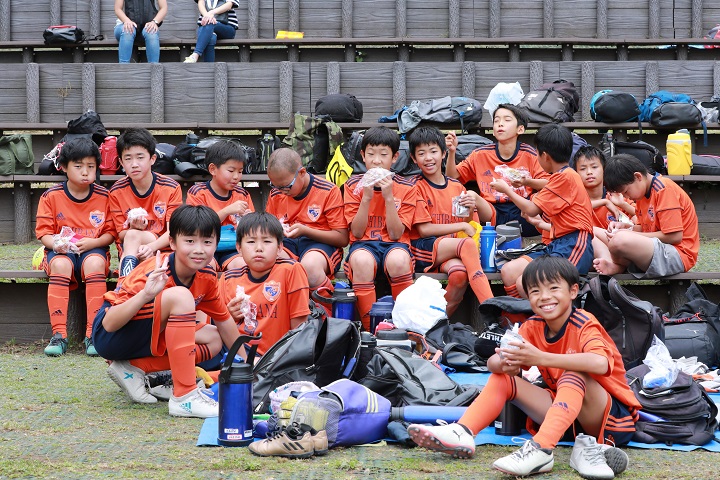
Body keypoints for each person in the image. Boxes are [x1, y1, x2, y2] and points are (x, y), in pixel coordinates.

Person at [407, 256, 638, 479]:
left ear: (573, 291)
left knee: (574, 374)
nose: (545, 297)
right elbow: (492, 364)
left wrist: (541, 357)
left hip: (609, 419)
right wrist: (505, 361)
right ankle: (462, 431)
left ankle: (541, 449)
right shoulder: (532, 325)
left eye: (553, 288)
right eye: (535, 291)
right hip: (563, 417)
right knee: (504, 379)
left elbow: (600, 363)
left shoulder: (584, 323)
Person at [92, 205, 243, 418]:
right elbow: (109, 324)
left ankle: (135, 369)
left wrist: (250, 363)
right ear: (172, 242)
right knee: (181, 296)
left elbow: (224, 321)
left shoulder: (207, 275)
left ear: (216, 244)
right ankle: (185, 396)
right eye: (190, 241)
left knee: (214, 338)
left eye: (207, 242)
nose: (199, 249)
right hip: (113, 336)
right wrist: (146, 294)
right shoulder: (154, 270)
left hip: (149, 338)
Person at [491, 124, 594, 298]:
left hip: (574, 245)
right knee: (509, 271)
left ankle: (545, 313)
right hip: (557, 244)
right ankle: (518, 315)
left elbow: (531, 209)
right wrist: (526, 182)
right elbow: (548, 184)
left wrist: (507, 190)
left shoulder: (566, 176)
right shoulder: (564, 174)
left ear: (545, 156)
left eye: (537, 153)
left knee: (525, 283)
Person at [35, 138, 116, 357]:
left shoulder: (104, 196)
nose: (85, 172)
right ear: (64, 167)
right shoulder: (51, 196)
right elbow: (43, 233)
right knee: (61, 265)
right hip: (61, 251)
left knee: (95, 263)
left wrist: (94, 243)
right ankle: (59, 335)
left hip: (93, 249)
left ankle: (93, 335)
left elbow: (110, 233)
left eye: (91, 166)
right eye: (78, 166)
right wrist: (57, 244)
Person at [407, 126, 494, 317]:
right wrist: (462, 226)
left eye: (433, 151)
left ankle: (435, 322)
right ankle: (492, 311)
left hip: (452, 248)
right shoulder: (414, 186)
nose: (428, 158)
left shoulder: (456, 186)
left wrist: (469, 210)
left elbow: (469, 224)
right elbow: (424, 230)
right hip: (423, 248)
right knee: (467, 244)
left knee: (460, 275)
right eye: (421, 153)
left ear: (443, 153)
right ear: (414, 158)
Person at [343, 126, 418, 331]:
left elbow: (395, 234)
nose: (376, 161)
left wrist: (388, 197)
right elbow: (357, 233)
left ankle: (404, 328)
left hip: (395, 245)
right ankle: (371, 330)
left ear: (394, 158)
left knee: (398, 261)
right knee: (361, 261)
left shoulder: (407, 187)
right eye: (371, 154)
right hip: (364, 244)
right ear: (362, 156)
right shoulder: (353, 186)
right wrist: (366, 198)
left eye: (383, 155)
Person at [445, 103, 549, 237]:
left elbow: (548, 183)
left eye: (507, 120)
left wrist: (526, 182)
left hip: (524, 212)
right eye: (496, 121)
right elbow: (452, 177)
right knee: (470, 195)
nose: (500, 124)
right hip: (492, 213)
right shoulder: (480, 154)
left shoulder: (530, 154)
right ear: (493, 131)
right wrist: (452, 151)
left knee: (540, 197)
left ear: (520, 129)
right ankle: (470, 236)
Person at [264, 148, 348, 312]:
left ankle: (327, 317)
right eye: (275, 186)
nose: (281, 192)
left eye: (286, 187)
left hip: (321, 244)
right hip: (288, 243)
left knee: (309, 266)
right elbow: (269, 230)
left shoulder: (327, 191)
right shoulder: (276, 193)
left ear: (302, 172)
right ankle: (286, 315)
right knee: (270, 260)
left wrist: (305, 230)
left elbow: (342, 238)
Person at [593, 154, 699, 278]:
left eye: (626, 192)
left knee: (619, 239)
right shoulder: (642, 194)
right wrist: (627, 228)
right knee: (590, 230)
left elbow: (674, 236)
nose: (626, 197)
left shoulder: (664, 189)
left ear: (638, 176)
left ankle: (619, 266)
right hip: (652, 249)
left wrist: (627, 234)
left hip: (678, 254)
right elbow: (644, 229)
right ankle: (612, 262)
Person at [219, 212, 310, 356]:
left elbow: (299, 330)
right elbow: (220, 330)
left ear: (279, 248)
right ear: (239, 248)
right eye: (251, 242)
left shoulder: (291, 271)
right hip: (239, 354)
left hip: (278, 356)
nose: (259, 248)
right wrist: (229, 317)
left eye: (267, 241)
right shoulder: (228, 279)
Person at [109, 127, 182, 277]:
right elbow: (121, 234)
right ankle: (126, 283)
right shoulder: (116, 191)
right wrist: (134, 227)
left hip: (162, 246)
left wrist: (151, 247)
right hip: (131, 248)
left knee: (136, 240)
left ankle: (123, 285)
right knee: (132, 235)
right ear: (121, 162)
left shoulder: (170, 188)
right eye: (128, 159)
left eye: (140, 157)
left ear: (152, 159)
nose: (134, 164)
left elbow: (172, 231)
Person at [186, 139, 254, 270]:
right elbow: (195, 227)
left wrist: (248, 220)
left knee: (242, 265)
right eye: (231, 170)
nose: (236, 176)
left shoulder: (242, 194)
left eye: (240, 171)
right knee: (205, 266)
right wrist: (226, 211)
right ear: (213, 169)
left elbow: (251, 231)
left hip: (233, 248)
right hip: (203, 247)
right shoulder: (198, 193)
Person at [572, 146, 638, 259]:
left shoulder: (617, 195)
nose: (589, 172)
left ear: (604, 169)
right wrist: (604, 202)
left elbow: (639, 220)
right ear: (575, 173)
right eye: (583, 169)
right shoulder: (573, 199)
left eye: (594, 167)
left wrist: (623, 205)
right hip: (587, 252)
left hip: (621, 250)